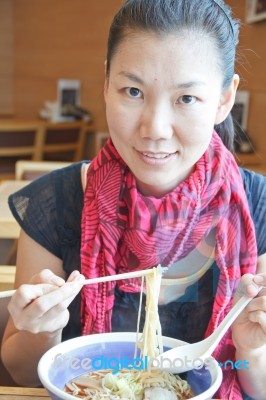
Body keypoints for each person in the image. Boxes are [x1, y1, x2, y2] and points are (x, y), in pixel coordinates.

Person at [1, 0, 266, 398]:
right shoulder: (55, 202)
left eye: (186, 98)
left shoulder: (256, 205)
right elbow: (21, 375)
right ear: (106, 84)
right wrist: (43, 327)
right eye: (133, 91)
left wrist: (252, 348)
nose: (155, 128)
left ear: (225, 99)